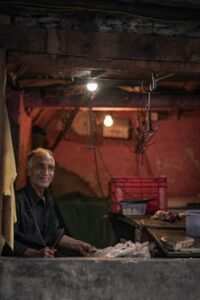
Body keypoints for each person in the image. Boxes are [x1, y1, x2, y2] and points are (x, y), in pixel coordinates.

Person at [11, 147, 94, 257]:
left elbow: (53, 234)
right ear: (28, 171)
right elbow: (5, 240)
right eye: (40, 167)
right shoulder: (16, 201)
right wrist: (34, 253)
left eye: (51, 168)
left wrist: (80, 245)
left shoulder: (48, 199)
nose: (46, 173)